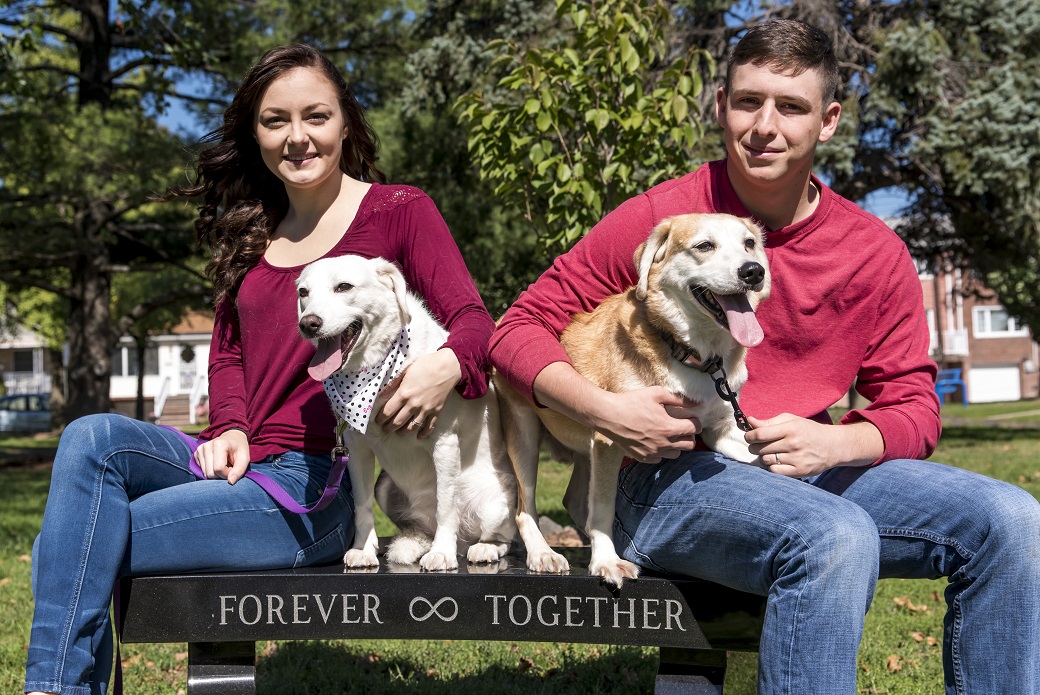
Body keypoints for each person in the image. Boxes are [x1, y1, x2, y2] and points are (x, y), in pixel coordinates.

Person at [491, 19, 1040, 695]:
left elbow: (914, 407)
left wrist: (837, 442)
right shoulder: (666, 218)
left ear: (829, 120)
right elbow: (517, 328)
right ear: (721, 106)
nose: (765, 126)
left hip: (807, 465)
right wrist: (606, 408)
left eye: (792, 107)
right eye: (748, 102)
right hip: (662, 476)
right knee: (832, 536)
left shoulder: (872, 250)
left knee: (1012, 521)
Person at [24, 43, 494, 695]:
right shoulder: (248, 227)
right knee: (90, 438)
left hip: (313, 489)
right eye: (276, 120)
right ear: (255, 133)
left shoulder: (398, 211)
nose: (298, 137)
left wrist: (444, 365)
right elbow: (229, 350)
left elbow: (474, 321)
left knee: (66, 545)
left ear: (346, 123)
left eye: (316, 116)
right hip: (239, 459)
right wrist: (232, 426)